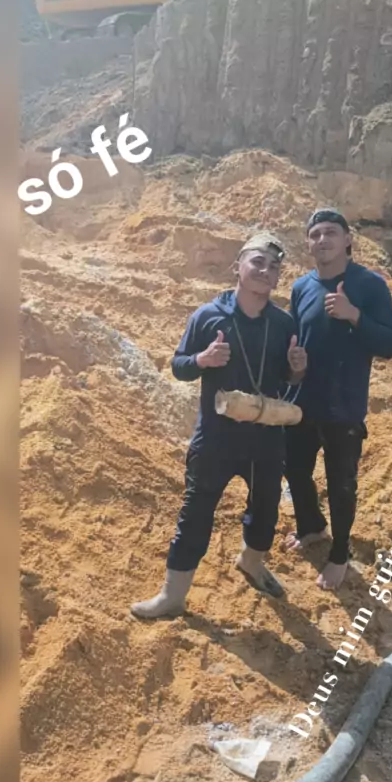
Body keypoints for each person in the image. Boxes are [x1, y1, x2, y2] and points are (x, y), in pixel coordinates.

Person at [131, 233, 307, 619]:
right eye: (257, 262)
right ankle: (172, 596)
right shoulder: (208, 316)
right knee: (196, 513)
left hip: (265, 437)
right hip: (216, 437)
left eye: (273, 267)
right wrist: (203, 360)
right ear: (237, 267)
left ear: (278, 278)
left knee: (266, 509)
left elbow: (286, 379)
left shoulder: (282, 323)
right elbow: (178, 367)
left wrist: (297, 369)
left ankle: (251, 562)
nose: (265, 271)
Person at [283, 208, 392, 591]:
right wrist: (293, 364)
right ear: (308, 243)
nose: (322, 240)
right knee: (294, 469)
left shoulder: (369, 285)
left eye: (331, 232)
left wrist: (354, 316)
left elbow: (390, 344)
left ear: (348, 240)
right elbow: (296, 340)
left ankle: (339, 554)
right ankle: (311, 527)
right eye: (315, 234)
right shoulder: (301, 288)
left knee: (341, 484)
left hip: (344, 406)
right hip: (302, 401)